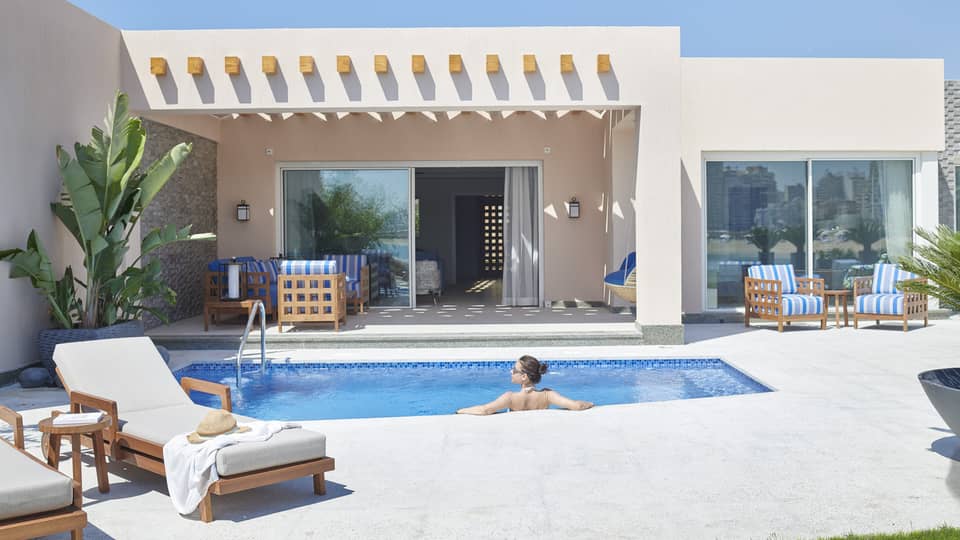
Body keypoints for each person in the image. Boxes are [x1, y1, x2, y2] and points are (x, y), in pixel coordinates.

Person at [456, 355, 593, 415]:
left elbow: (484, 410)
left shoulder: (510, 398)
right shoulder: (547, 395)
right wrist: (590, 403)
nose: (511, 372)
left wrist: (461, 411)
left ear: (523, 377)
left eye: (514, 370)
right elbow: (576, 406)